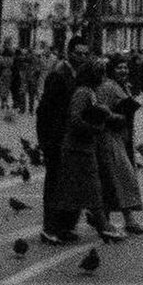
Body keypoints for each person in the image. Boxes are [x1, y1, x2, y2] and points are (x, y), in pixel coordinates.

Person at [55, 58, 124, 243]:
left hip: (83, 147)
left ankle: (64, 228)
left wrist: (109, 117)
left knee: (74, 191)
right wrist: (96, 128)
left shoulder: (89, 92)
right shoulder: (83, 93)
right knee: (92, 189)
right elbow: (75, 119)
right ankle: (103, 227)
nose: (103, 76)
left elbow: (94, 112)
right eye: (100, 73)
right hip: (77, 148)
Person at [36, 38, 89, 245]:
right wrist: (47, 141)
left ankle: (67, 226)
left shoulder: (82, 76)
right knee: (56, 184)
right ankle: (50, 228)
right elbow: (45, 111)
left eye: (86, 54)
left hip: (74, 138)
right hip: (57, 138)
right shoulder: (58, 75)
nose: (82, 57)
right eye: (78, 53)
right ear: (69, 53)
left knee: (73, 183)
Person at [97, 60, 143, 235]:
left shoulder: (124, 86)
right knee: (116, 177)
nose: (123, 70)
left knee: (123, 177)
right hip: (110, 137)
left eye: (125, 67)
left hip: (122, 136)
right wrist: (115, 117)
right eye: (119, 67)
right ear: (111, 69)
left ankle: (127, 219)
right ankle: (108, 221)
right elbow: (100, 111)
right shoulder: (107, 87)